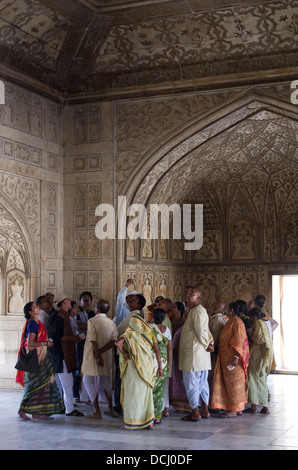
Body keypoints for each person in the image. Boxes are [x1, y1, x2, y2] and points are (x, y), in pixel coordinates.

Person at [115, 295, 163, 430]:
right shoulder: (150, 331)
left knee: (132, 394)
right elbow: (157, 351)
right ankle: (150, 422)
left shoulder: (128, 333)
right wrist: (160, 367)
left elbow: (117, 344)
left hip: (132, 367)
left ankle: (130, 422)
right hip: (146, 367)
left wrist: (125, 354)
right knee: (146, 394)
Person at [16, 301, 64, 420]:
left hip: (40, 357)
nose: (38, 308)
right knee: (33, 386)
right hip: (36, 359)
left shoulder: (36, 323)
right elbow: (31, 344)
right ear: (31, 312)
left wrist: (45, 342)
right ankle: (22, 410)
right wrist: (45, 343)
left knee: (41, 386)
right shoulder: (33, 324)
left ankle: (36, 412)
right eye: (35, 307)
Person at [210, 300, 250, 418]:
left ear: (232, 310)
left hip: (233, 359)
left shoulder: (237, 322)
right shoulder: (232, 321)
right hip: (225, 358)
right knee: (230, 384)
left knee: (234, 384)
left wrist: (236, 357)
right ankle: (236, 408)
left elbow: (239, 341)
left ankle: (234, 410)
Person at [179, 289, 214, 422]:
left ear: (198, 298)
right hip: (200, 354)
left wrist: (207, 344)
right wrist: (209, 343)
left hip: (194, 354)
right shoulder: (197, 310)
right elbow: (206, 330)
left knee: (192, 384)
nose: (187, 295)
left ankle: (195, 413)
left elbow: (201, 330)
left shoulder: (198, 310)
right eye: (187, 293)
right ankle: (204, 411)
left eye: (191, 294)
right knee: (202, 383)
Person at [81, 299, 118, 419]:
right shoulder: (111, 323)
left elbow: (93, 340)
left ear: (97, 309)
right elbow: (113, 341)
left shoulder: (92, 321)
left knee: (89, 381)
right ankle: (110, 409)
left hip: (92, 357)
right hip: (106, 357)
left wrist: (97, 356)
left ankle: (97, 411)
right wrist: (102, 353)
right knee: (106, 382)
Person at [52, 293, 84, 417]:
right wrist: (72, 337)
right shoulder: (59, 316)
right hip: (61, 354)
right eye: (68, 300)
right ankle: (69, 409)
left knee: (68, 381)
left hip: (66, 353)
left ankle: (68, 407)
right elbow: (57, 337)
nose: (70, 301)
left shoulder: (65, 315)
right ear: (63, 302)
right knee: (66, 382)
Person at [113, 289, 143, 415]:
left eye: (134, 299)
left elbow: (118, 331)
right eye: (129, 298)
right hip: (130, 352)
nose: (130, 300)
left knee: (120, 378)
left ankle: (119, 405)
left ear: (139, 304)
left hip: (125, 352)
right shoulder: (133, 314)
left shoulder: (133, 316)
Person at [244, 307, 273, 415]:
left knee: (254, 378)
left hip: (257, 354)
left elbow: (258, 338)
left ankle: (262, 407)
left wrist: (251, 337)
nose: (250, 320)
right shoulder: (264, 323)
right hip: (261, 354)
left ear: (255, 316)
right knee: (259, 379)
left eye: (251, 317)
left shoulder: (257, 323)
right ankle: (255, 406)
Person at [151, 308, 172, 424]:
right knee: (159, 389)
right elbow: (169, 348)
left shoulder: (150, 329)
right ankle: (158, 416)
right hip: (163, 362)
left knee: (150, 388)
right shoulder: (167, 330)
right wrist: (168, 364)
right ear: (164, 319)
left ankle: (149, 415)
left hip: (152, 361)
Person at [74, 291, 95, 402]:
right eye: (84, 298)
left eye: (88, 298)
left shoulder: (92, 313)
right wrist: (91, 325)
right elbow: (79, 325)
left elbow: (94, 326)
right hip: (80, 342)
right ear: (80, 300)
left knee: (88, 367)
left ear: (91, 301)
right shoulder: (77, 311)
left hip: (90, 342)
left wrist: (88, 325)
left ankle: (87, 395)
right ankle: (76, 393)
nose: (86, 299)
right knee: (78, 367)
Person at [156, 297, 173, 417]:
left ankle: (160, 408)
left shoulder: (162, 321)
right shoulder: (165, 320)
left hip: (159, 358)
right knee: (164, 384)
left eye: (161, 304)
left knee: (158, 384)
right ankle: (164, 407)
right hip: (165, 358)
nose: (157, 305)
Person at [208, 301, 228, 402]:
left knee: (213, 377)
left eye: (211, 306)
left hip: (214, 353)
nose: (209, 308)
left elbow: (214, 338)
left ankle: (215, 402)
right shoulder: (218, 319)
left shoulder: (217, 320)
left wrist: (211, 350)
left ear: (216, 309)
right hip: (216, 352)